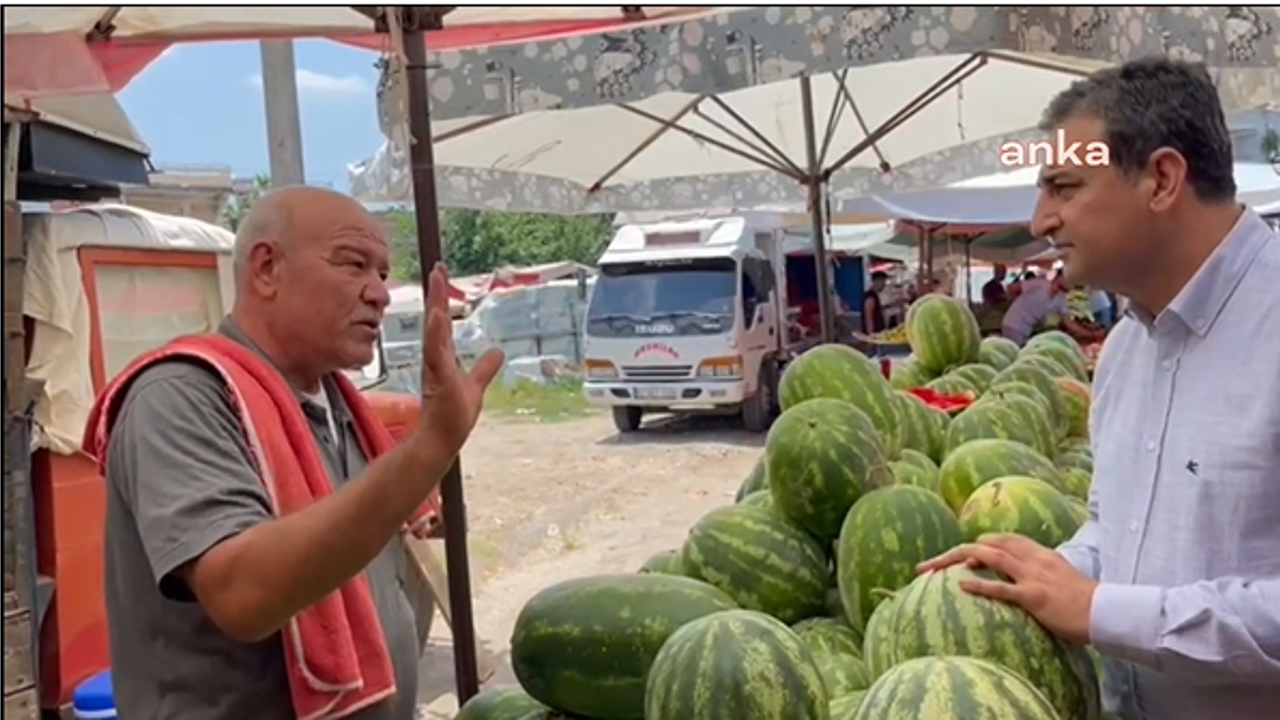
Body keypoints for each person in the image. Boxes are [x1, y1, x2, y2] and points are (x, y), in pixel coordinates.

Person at [919, 57, 1280, 719]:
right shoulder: (1123, 352)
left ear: (1162, 179)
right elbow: (1117, 532)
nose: (1039, 220)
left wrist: (1101, 611)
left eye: (1063, 187)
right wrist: (1038, 571)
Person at [86, 186, 504, 720]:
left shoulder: (341, 405)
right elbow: (243, 593)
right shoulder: (178, 396)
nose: (379, 292)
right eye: (354, 264)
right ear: (266, 268)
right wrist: (430, 448)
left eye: (382, 272)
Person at [999, 270, 1090, 344]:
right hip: (1012, 324)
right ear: (1059, 277)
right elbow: (1011, 288)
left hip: (1026, 329)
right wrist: (1016, 306)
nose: (1072, 285)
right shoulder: (1040, 284)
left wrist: (1092, 335)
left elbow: (1069, 324)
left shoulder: (1060, 299)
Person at [861, 270, 889, 335]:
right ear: (877, 281)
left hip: (878, 334)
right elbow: (869, 318)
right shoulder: (870, 297)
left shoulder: (874, 295)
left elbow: (876, 310)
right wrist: (871, 336)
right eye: (883, 282)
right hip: (874, 335)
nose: (884, 285)